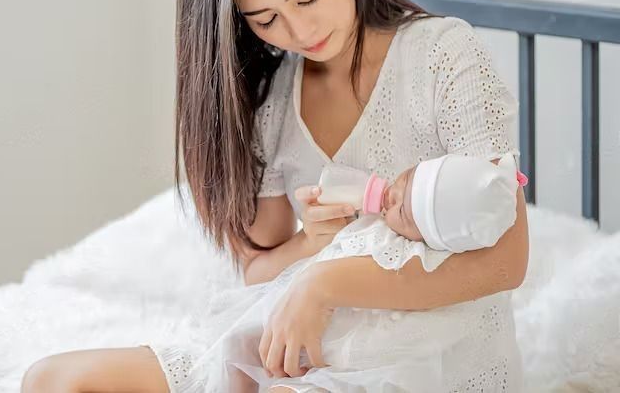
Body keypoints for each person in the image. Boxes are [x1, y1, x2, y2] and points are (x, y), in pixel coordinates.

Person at [20, 0, 529, 392]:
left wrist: (324, 284)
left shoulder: (445, 56)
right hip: (296, 344)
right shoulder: (276, 102)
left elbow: (507, 261)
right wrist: (311, 245)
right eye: (266, 19)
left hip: (419, 358)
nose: (300, 30)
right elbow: (256, 270)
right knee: (52, 380)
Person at [189, 151, 528, 392]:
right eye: (405, 179)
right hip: (298, 325)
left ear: (430, 238)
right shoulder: (380, 224)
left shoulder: (418, 261)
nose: (390, 197)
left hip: (344, 365)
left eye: (403, 211)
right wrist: (313, 232)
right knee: (236, 344)